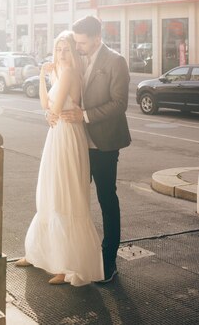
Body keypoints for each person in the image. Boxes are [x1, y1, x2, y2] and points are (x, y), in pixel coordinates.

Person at [15, 31, 104, 286]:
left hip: (66, 136)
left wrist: (48, 109)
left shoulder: (68, 74)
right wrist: (44, 78)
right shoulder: (59, 73)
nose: (61, 54)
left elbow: (52, 109)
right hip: (58, 134)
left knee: (64, 195)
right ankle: (38, 254)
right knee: (51, 192)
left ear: (73, 52)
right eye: (58, 49)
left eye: (66, 49)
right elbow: (46, 106)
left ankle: (66, 266)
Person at [59, 15, 131, 283]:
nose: (78, 47)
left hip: (104, 144)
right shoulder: (77, 58)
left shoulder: (116, 61)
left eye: (82, 42)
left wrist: (85, 116)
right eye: (75, 41)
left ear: (97, 38)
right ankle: (74, 255)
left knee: (106, 199)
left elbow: (119, 103)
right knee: (73, 198)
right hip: (76, 142)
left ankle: (108, 258)